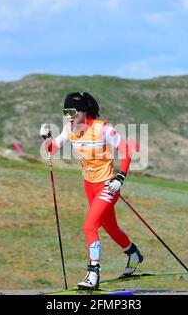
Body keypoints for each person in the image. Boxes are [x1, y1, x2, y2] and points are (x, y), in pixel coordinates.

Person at [40, 92, 143, 290]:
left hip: (107, 185)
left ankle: (93, 273)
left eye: (72, 111)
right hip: (89, 185)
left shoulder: (103, 129)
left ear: (83, 111)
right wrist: (46, 138)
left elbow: (126, 151)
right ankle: (134, 254)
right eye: (65, 111)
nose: (68, 115)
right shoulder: (69, 129)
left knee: (89, 227)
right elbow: (52, 149)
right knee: (110, 227)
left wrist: (120, 178)